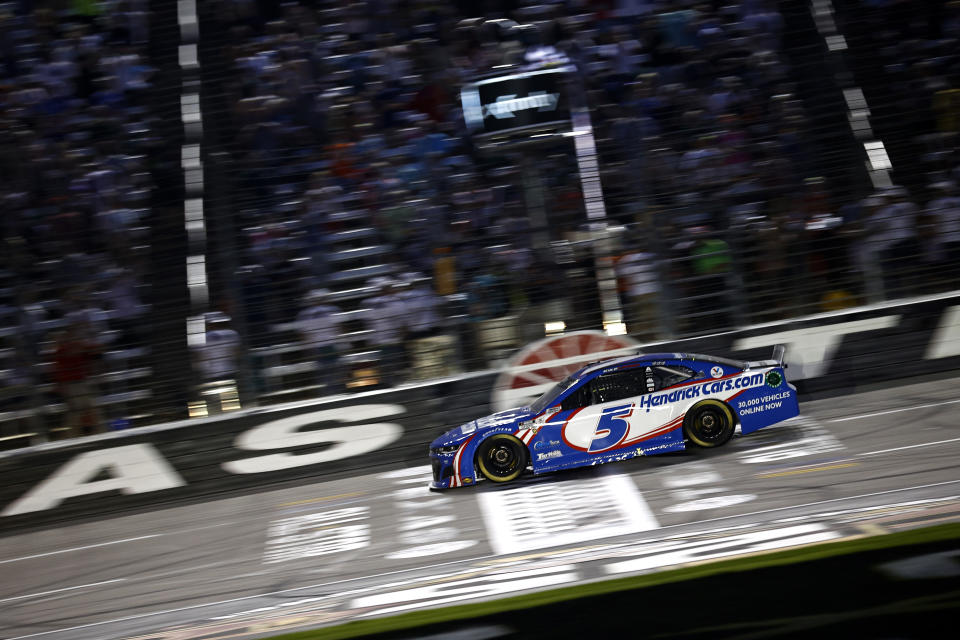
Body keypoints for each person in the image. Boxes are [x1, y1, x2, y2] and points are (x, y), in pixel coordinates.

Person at [52, 320, 103, 437]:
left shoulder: (79, 346)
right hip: (71, 384)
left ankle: (95, 434)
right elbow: (58, 369)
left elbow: (96, 350)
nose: (75, 336)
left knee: (87, 410)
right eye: (72, 334)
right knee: (79, 411)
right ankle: (72, 436)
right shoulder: (62, 350)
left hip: (81, 382)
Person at [295, 289, 344, 393]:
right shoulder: (332, 309)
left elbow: (303, 335)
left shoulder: (303, 314)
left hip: (316, 347)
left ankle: (328, 394)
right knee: (337, 372)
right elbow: (339, 328)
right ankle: (338, 392)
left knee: (324, 375)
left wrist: (307, 350)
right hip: (332, 344)